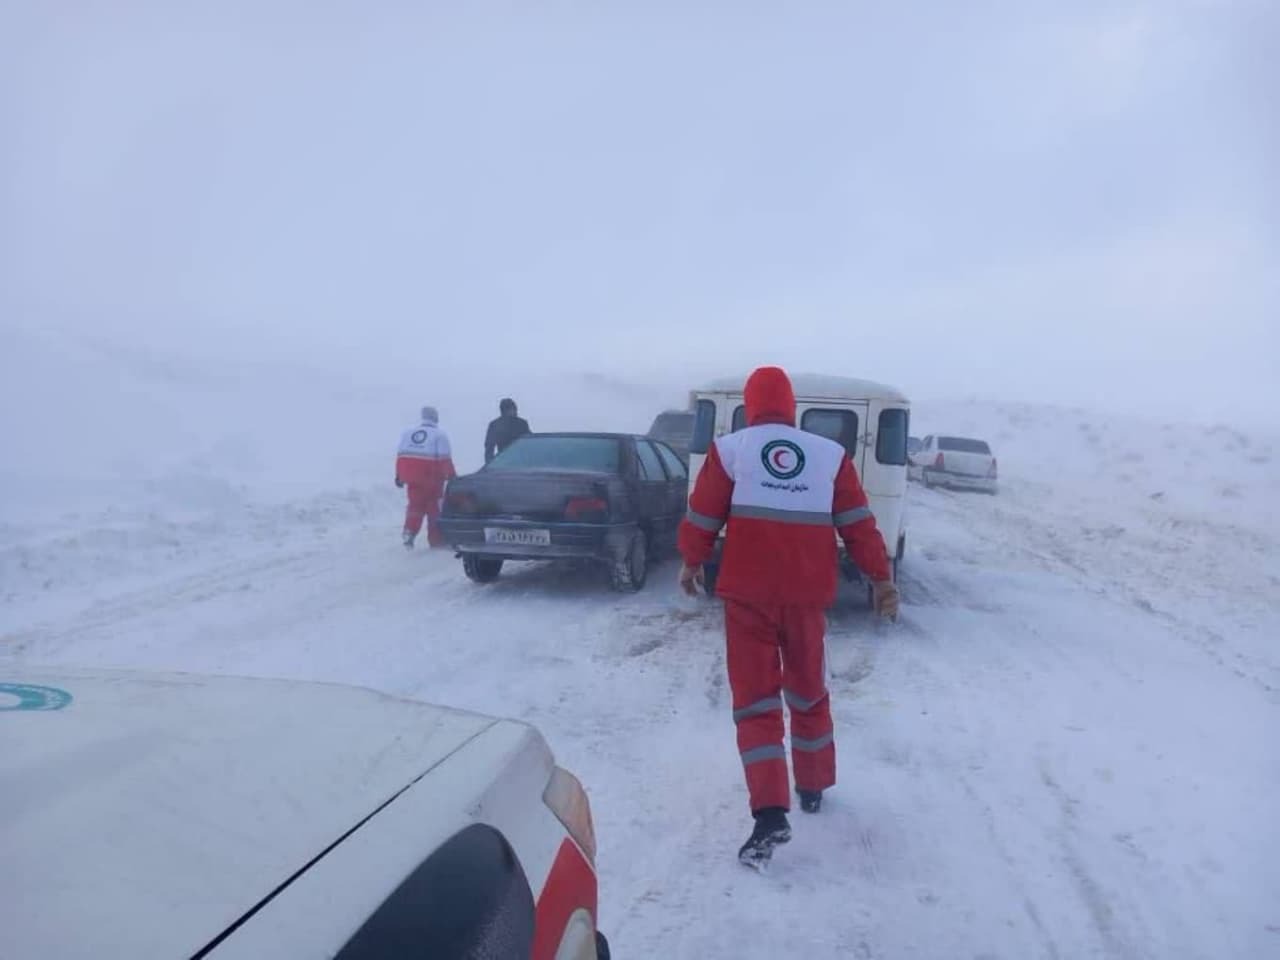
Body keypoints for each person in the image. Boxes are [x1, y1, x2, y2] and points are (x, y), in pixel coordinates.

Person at [676, 366, 900, 869]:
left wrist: (691, 560)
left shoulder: (730, 451)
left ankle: (770, 813)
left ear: (751, 405)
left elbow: (702, 516)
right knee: (809, 694)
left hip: (748, 600)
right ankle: (814, 786)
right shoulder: (829, 456)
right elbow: (860, 525)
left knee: (756, 706)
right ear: (792, 406)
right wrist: (881, 579)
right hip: (806, 600)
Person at [395, 406, 456, 549]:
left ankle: (409, 532)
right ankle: (436, 541)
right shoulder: (439, 435)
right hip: (432, 480)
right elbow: (444, 460)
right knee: (434, 510)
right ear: (435, 417)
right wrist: (453, 477)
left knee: (415, 506)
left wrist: (399, 476)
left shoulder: (407, 433)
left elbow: (401, 456)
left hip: (413, 480)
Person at [485, 398, 531, 463]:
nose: (514, 411)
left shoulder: (522, 423)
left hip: (518, 462)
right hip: (505, 463)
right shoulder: (495, 425)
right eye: (511, 409)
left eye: (514, 409)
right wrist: (490, 465)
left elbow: (529, 443)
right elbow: (489, 448)